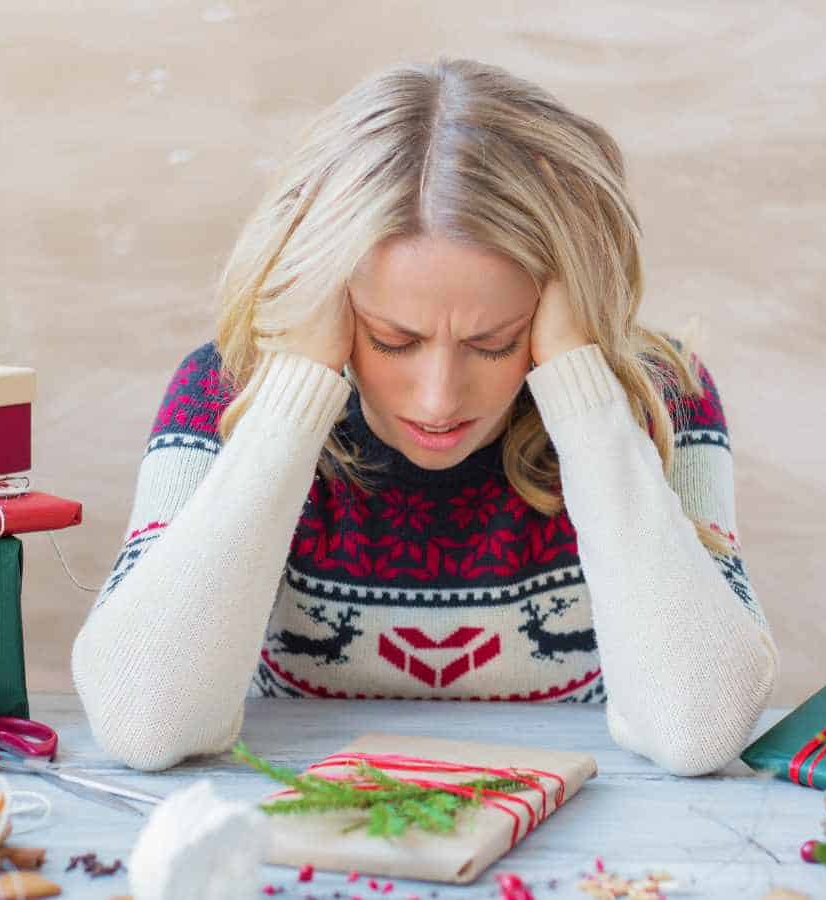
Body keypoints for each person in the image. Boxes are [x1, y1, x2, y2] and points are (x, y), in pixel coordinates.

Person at [72, 57, 777, 775]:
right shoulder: (225, 393)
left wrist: (581, 386)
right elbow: (144, 721)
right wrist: (294, 394)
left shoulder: (660, 397)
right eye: (393, 340)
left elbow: (699, 728)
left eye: (494, 342)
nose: (439, 399)